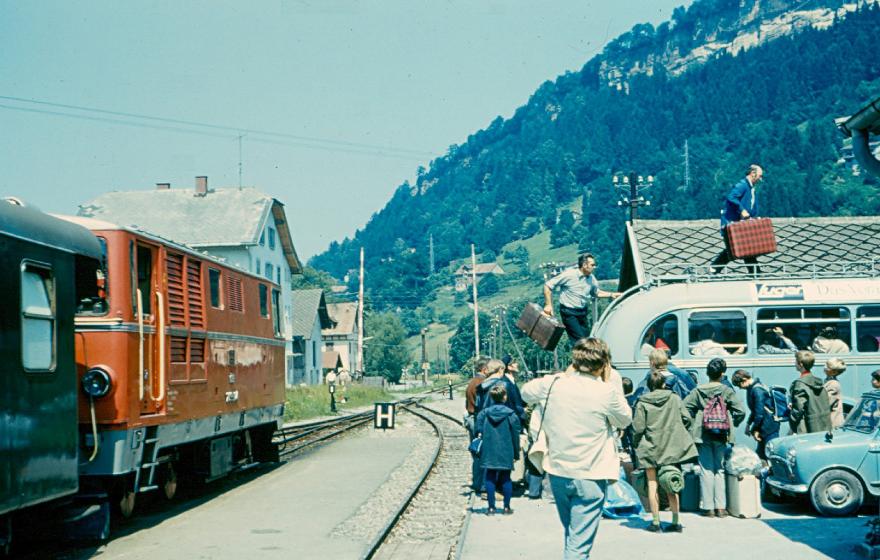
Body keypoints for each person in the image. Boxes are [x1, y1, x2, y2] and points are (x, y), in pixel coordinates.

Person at [521, 338, 631, 559]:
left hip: (558, 472)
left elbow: (525, 393)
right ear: (604, 364)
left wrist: (564, 374)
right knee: (579, 545)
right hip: (591, 474)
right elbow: (624, 420)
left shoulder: (554, 383)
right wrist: (610, 383)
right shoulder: (605, 392)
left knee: (573, 535)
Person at [633, 370, 697, 533]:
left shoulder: (642, 402)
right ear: (663, 384)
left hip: (650, 448)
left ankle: (656, 523)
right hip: (671, 446)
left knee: (652, 484)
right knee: (671, 482)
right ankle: (675, 522)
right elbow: (687, 419)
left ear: (648, 386)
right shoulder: (674, 398)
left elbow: (638, 427)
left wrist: (635, 443)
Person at [682, 358, 746, 518]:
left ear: (707, 373)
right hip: (722, 434)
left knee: (706, 469)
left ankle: (708, 508)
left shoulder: (698, 391)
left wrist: (693, 423)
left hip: (702, 434)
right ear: (722, 373)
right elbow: (741, 411)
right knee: (720, 469)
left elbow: (684, 408)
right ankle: (721, 507)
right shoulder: (727, 391)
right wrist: (731, 423)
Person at [543, 254, 621, 341]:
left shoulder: (591, 278)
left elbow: (596, 293)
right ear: (584, 265)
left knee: (587, 339)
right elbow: (548, 286)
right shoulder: (569, 275)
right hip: (569, 312)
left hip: (582, 312)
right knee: (580, 340)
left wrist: (611, 294)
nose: (594, 267)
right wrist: (548, 305)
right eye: (592, 265)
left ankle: (583, 353)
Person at [476, 384, 521, 515]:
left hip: (489, 450)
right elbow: (515, 436)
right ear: (505, 397)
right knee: (506, 478)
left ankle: (491, 508)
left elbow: (478, 430)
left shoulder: (484, 414)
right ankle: (506, 507)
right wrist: (516, 453)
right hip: (506, 450)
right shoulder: (511, 415)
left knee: (489, 477)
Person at [711, 164, 764, 274]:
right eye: (759, 176)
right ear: (752, 174)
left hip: (738, 224)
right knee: (736, 248)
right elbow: (731, 197)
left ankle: (755, 272)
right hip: (731, 224)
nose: (760, 179)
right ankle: (714, 268)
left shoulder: (749, 187)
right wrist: (742, 210)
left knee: (744, 248)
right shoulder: (743, 185)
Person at [731, 369, 780, 461]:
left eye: (739, 385)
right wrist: (748, 424)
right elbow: (755, 410)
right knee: (762, 454)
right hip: (765, 425)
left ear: (744, 379)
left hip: (768, 426)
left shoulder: (757, 390)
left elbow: (759, 413)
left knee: (771, 454)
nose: (740, 388)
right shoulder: (753, 388)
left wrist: (755, 429)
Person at [789, 350, 833, 434]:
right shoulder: (819, 382)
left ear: (801, 364)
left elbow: (798, 409)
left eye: (795, 361)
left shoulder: (800, 384)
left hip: (805, 428)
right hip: (822, 426)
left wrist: (792, 418)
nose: (794, 363)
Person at [465, 357, 490, 493]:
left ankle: (477, 482)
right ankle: (480, 483)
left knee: (476, 452)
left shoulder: (473, 382)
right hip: (477, 420)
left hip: (472, 417)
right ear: (484, 369)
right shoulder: (482, 383)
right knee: (481, 452)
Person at [823, 358, 847, 429]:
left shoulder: (833, 384)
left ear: (834, 372)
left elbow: (826, 402)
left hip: (833, 421)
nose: (824, 367)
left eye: (827, 367)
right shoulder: (829, 381)